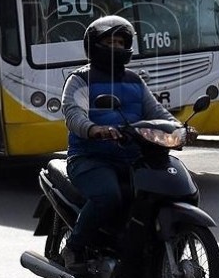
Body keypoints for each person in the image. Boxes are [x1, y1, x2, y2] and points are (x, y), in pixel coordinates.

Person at [58, 15, 179, 267]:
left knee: (167, 189)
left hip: (133, 157)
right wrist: (94, 129)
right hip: (90, 158)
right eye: (110, 42)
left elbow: (156, 112)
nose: (116, 47)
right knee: (108, 195)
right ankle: (74, 248)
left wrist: (179, 129)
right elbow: (73, 114)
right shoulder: (80, 79)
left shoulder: (135, 81)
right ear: (94, 45)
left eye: (121, 42)